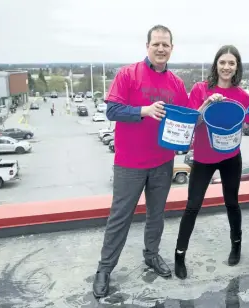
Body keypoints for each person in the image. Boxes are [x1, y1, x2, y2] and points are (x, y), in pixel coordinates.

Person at [92, 25, 189, 298]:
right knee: (120, 217)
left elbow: (185, 116)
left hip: (163, 161)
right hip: (129, 163)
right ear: (147, 46)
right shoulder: (128, 74)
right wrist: (143, 111)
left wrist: (207, 107)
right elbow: (111, 110)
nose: (161, 49)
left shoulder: (176, 84)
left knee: (156, 215)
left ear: (172, 48)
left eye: (165, 45)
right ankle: (104, 269)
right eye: (156, 44)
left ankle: (152, 255)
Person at [174, 45, 249, 280]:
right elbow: (192, 121)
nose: (227, 67)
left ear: (237, 67)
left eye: (231, 63)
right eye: (223, 62)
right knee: (192, 206)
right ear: (215, 64)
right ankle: (179, 255)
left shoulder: (241, 95)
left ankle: (236, 245)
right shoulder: (201, 89)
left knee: (232, 203)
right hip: (204, 158)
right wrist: (206, 104)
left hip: (231, 157)